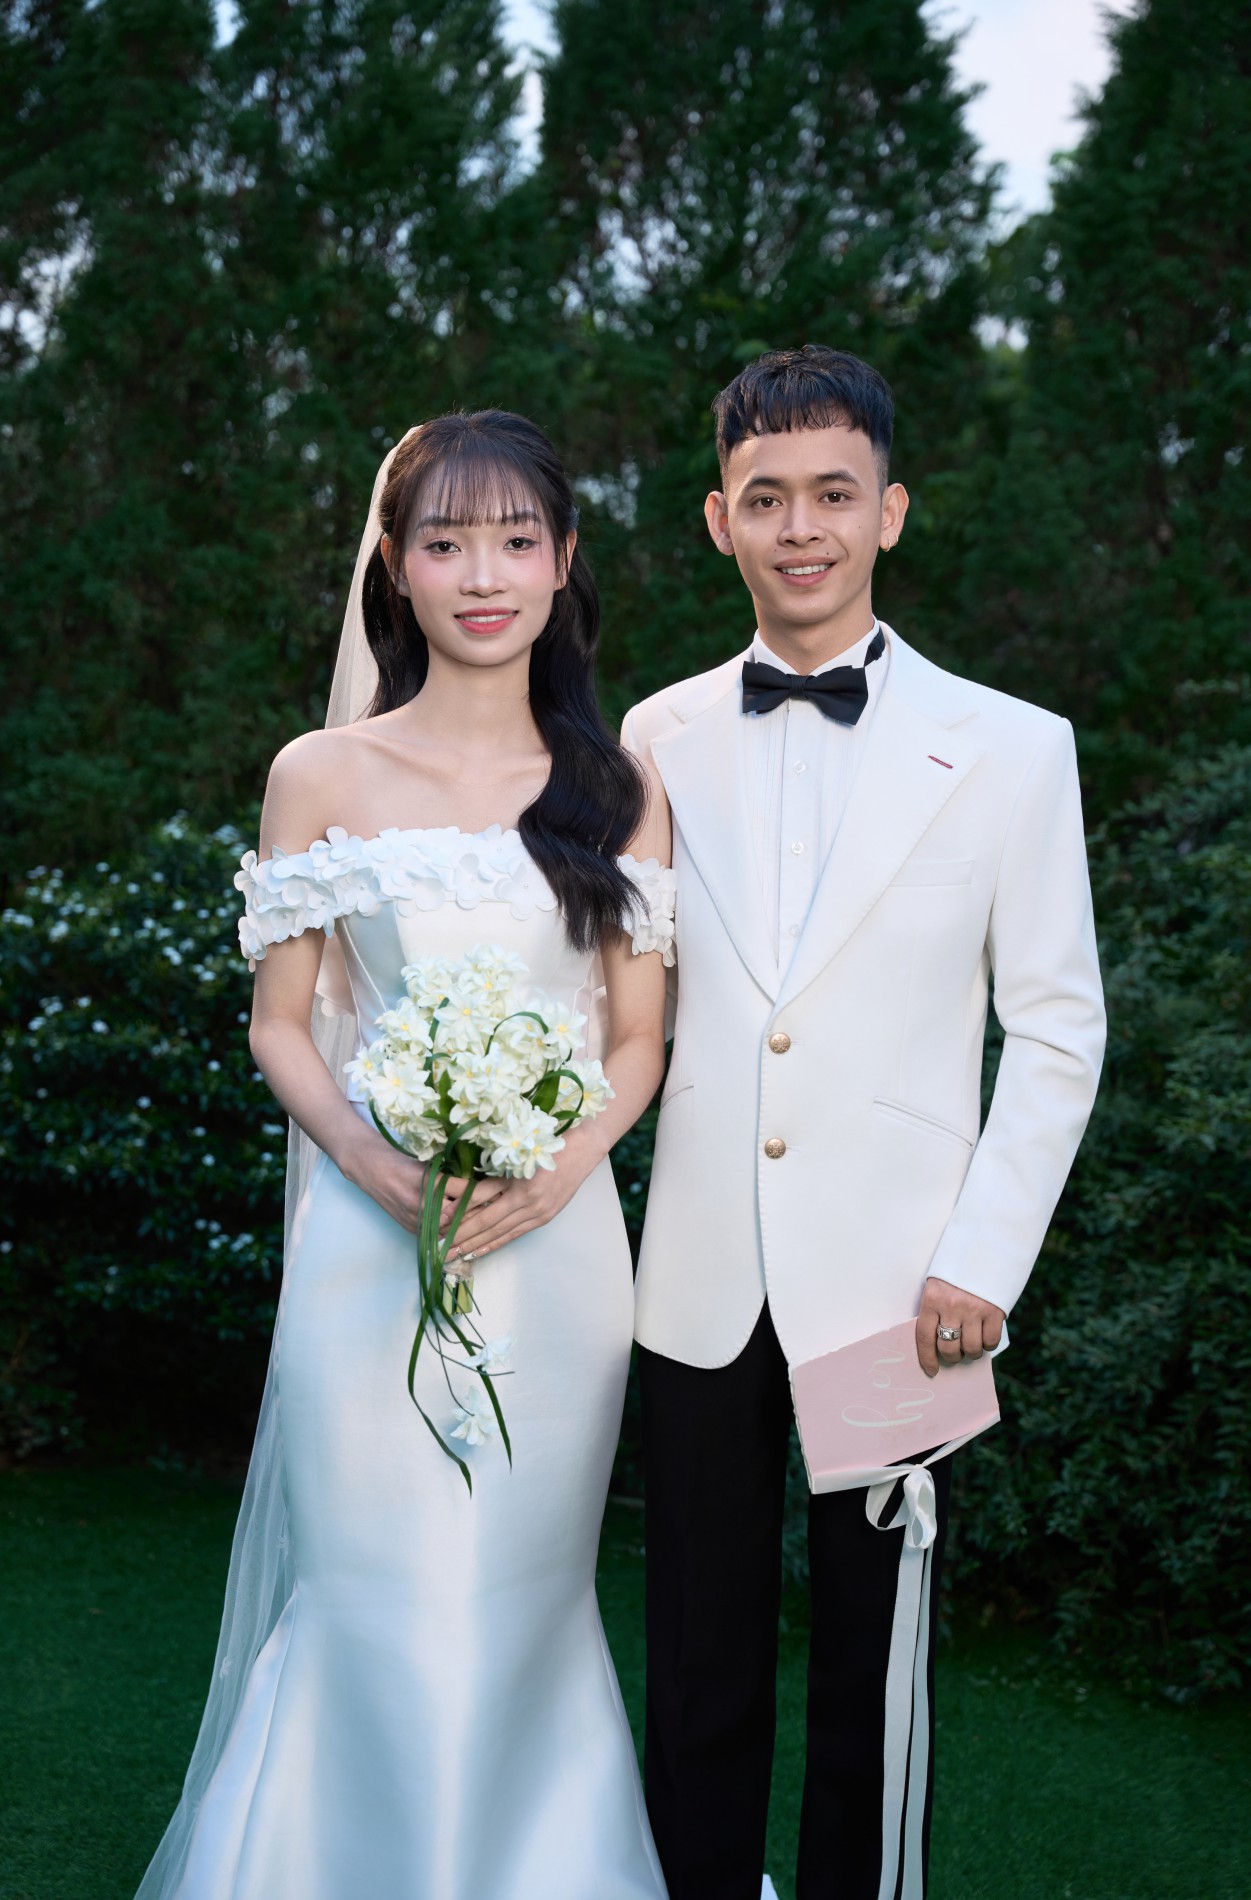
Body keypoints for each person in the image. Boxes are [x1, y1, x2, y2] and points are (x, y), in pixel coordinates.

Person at [136, 412, 673, 1900]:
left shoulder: (620, 789)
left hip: (557, 1259)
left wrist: (557, 1171)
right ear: (395, 565)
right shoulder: (320, 771)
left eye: (515, 540)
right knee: (375, 1595)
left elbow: (639, 1040)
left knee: (521, 1601)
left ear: (563, 562)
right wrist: (377, 1172)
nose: (481, 575)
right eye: (445, 543)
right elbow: (282, 1025)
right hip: (368, 1256)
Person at [622, 345, 1107, 1900]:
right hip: (696, 1277)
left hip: (906, 1289)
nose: (801, 527)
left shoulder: (1016, 747)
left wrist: (985, 1258)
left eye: (834, 493)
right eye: (765, 498)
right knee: (695, 1660)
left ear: (891, 510)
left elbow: (1058, 1026)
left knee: (872, 1677)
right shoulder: (653, 735)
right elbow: (627, 999)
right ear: (719, 521)